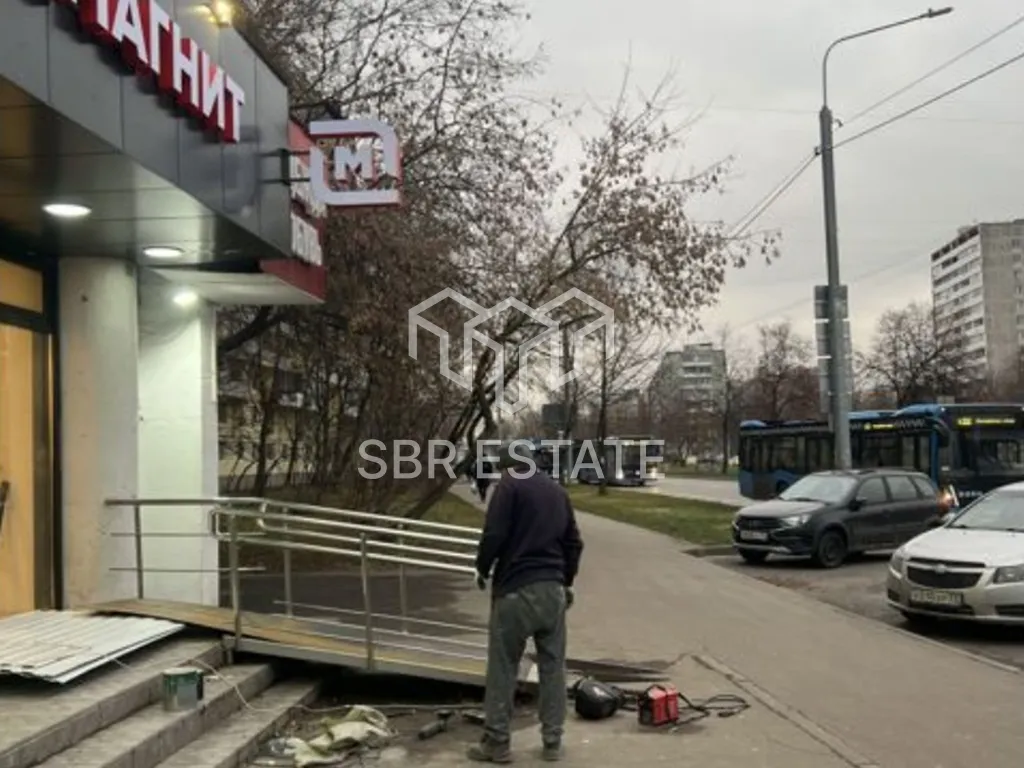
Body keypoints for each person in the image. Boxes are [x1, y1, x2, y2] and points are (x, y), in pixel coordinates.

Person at [468, 443, 585, 763]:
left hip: (515, 590)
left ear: (508, 465)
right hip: (552, 591)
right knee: (553, 667)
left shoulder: (508, 487)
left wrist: (482, 567)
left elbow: (494, 533)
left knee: (503, 667)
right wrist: (566, 581)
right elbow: (574, 543)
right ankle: (552, 742)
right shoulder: (557, 491)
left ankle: (497, 743)